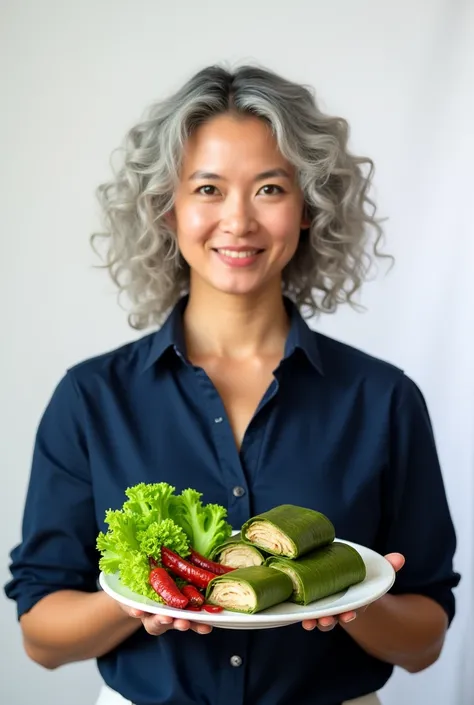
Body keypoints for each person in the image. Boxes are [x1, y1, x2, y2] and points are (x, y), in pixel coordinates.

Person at [4, 64, 460, 705]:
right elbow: (41, 636)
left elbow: (425, 641)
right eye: (209, 188)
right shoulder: (91, 398)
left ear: (308, 208)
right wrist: (141, 604)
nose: (239, 220)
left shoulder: (382, 399)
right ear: (168, 208)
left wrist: (353, 598)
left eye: (270, 188)